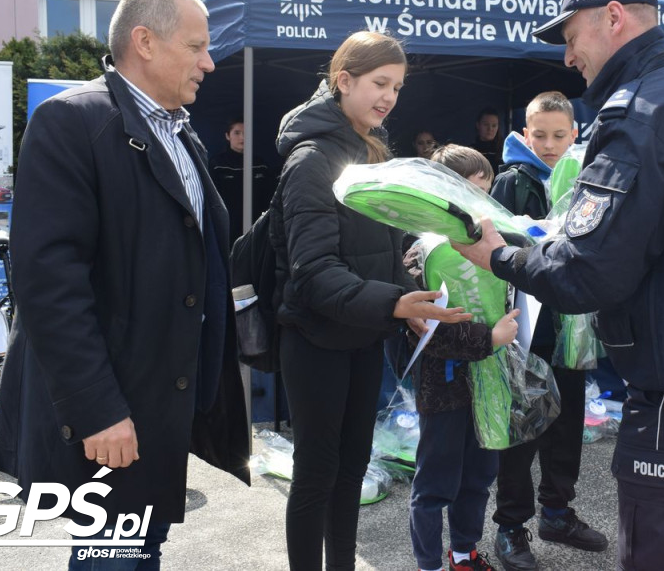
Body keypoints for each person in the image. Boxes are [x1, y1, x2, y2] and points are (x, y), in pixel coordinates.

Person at [454, 0, 664, 570]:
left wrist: (497, 256)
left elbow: (585, 274)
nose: (569, 56)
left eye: (571, 36)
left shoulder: (640, 117)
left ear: (612, 17)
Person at [0, 0, 250, 569]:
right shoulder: (72, 121)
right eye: (198, 47)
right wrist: (98, 408)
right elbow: (49, 286)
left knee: (142, 550)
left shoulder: (182, 132)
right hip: (113, 409)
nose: (210, 62)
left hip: (161, 402)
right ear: (145, 42)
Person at [270, 30, 470, 570]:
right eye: (380, 83)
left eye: (398, 88)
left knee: (353, 468)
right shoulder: (311, 160)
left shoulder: (372, 154)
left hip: (362, 336)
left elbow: (382, 255)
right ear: (344, 81)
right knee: (317, 472)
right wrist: (395, 305)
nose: (389, 97)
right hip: (315, 339)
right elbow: (313, 273)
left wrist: (411, 295)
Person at [487, 91, 606, 571]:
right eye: (540, 135)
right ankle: (510, 527)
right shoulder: (511, 182)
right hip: (525, 332)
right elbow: (489, 244)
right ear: (523, 134)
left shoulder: (586, 180)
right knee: (521, 434)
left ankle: (557, 512)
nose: (550, 144)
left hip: (572, 328)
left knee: (566, 428)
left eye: (560, 135)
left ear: (575, 134)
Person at [407, 143, 518, 571]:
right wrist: (489, 336)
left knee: (478, 477)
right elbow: (428, 329)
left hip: (490, 384)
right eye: (468, 194)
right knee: (435, 483)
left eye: (484, 193)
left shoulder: (496, 243)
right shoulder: (422, 251)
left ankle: (464, 554)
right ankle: (430, 563)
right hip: (444, 389)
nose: (478, 205)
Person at [209, 118, 275, 243]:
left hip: (257, 228)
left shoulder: (260, 164)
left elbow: (270, 197)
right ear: (228, 136)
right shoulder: (217, 164)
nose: (242, 138)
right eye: (237, 133)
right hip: (228, 228)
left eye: (246, 133)